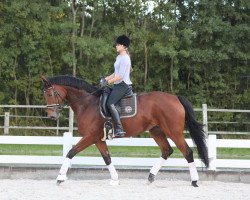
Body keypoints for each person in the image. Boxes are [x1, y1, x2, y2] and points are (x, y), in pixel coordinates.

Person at [99, 35, 132, 137]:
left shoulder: (125, 59)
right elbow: (115, 73)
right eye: (117, 44)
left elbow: (120, 76)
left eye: (118, 44)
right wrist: (106, 79)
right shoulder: (119, 57)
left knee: (110, 104)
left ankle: (119, 128)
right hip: (118, 84)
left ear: (124, 46)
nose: (116, 46)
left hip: (123, 85)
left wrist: (108, 82)